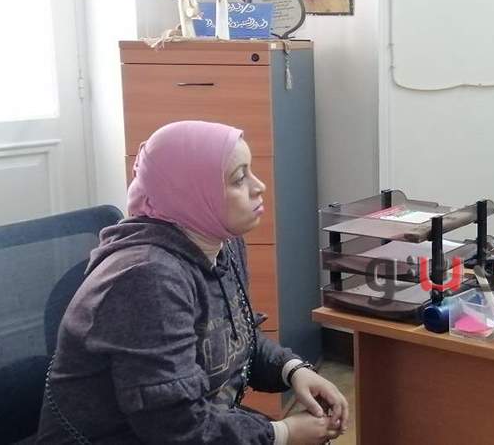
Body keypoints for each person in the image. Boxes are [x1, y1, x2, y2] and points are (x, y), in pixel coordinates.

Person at [37, 121, 347, 444]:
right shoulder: (148, 280)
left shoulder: (221, 243)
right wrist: (282, 434)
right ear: (190, 193)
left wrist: (293, 370)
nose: (259, 186)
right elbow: (176, 427)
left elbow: (233, 340)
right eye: (238, 179)